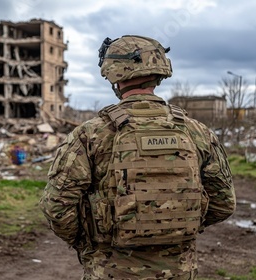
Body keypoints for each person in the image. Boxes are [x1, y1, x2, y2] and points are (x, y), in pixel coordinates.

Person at [39, 35, 236, 279]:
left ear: (114, 75)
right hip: (178, 271)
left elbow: (57, 207)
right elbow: (224, 203)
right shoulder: (197, 132)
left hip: (110, 270)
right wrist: (178, 227)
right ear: (159, 73)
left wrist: (90, 242)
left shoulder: (90, 134)